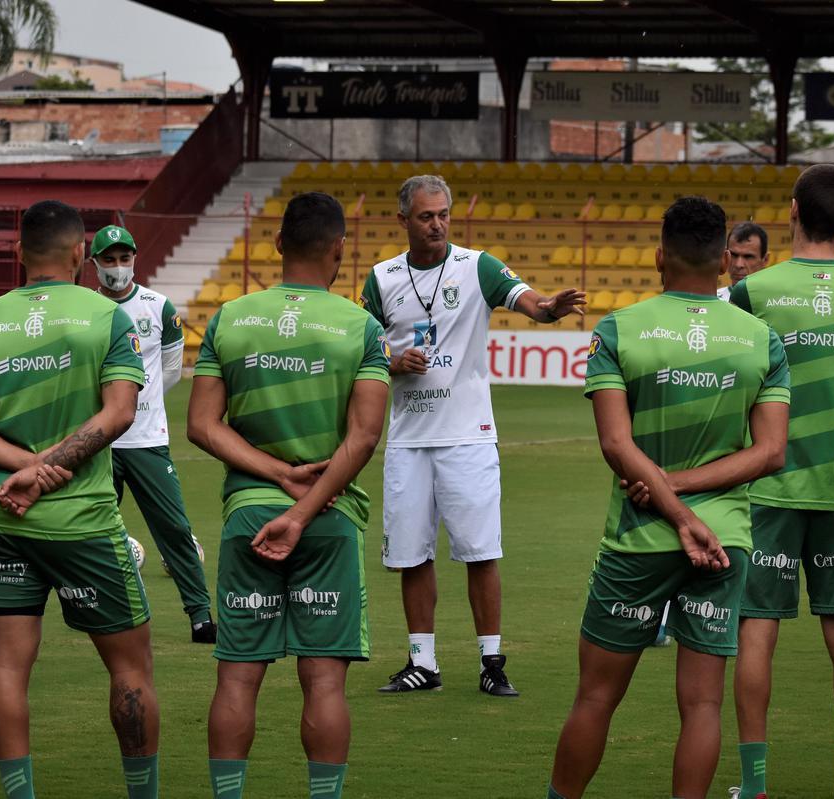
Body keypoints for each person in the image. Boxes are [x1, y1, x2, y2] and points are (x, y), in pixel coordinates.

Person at [545, 196, 790, 799]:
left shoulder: (618, 329)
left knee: (596, 697)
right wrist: (694, 512)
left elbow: (614, 443)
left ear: (659, 256)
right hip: (723, 542)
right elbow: (769, 453)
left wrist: (669, 500)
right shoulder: (762, 339)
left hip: (638, 535)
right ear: (721, 260)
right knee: (704, 704)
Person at [0, 200, 159, 799]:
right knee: (130, 669)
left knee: (7, 669)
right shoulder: (108, 317)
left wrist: (23, 467)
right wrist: (46, 469)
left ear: (18, 255)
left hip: (2, 515)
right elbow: (119, 413)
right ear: (79, 255)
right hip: (81, 520)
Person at [187, 192, 389, 799]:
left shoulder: (229, 317)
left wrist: (274, 477)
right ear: (339, 249)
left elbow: (202, 425)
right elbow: (364, 436)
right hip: (327, 519)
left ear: (277, 245)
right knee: (324, 683)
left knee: (237, 679)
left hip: (249, 517)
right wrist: (301, 507)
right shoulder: (362, 327)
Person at [360, 174, 585, 695]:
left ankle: (491, 662)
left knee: (480, 551)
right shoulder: (381, 278)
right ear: (403, 221)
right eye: (425, 216)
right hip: (409, 439)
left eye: (443, 214)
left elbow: (527, 299)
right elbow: (361, 351)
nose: (437, 224)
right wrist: (392, 362)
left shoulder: (477, 265)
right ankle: (423, 662)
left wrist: (549, 309)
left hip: (469, 435)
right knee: (411, 555)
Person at [728, 164, 834, 799]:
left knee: (757, 629)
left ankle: (754, 785)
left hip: (768, 487)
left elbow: (740, 392)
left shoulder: (753, 291)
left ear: (793, 209)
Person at [92, 223, 216, 644]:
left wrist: (136, 403)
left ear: (134, 260)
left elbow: (169, 371)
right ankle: (99, 612)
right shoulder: (86, 309)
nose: (117, 267)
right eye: (108, 260)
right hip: (99, 442)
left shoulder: (159, 307)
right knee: (88, 529)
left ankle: (200, 617)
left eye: (124, 258)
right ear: (94, 264)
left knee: (175, 530)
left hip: (146, 438)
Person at [718, 221, 770, 302]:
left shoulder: (776, 302)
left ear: (765, 260)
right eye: (734, 255)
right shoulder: (713, 300)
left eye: (748, 257)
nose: (739, 265)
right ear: (726, 256)